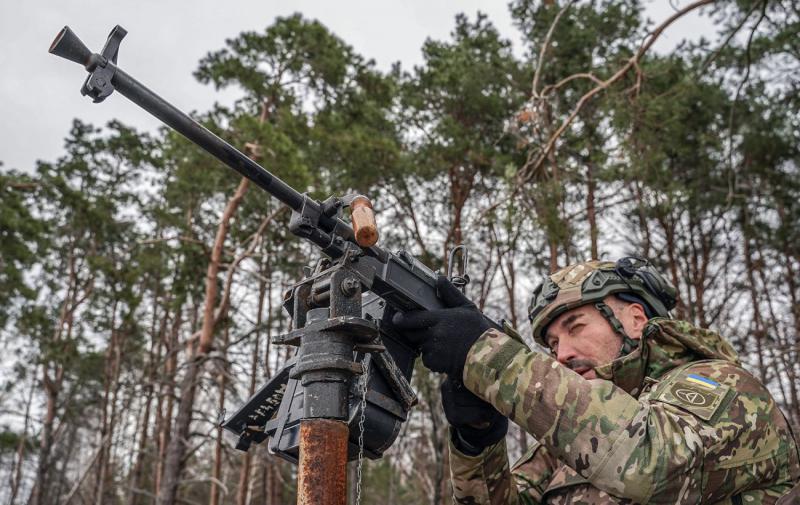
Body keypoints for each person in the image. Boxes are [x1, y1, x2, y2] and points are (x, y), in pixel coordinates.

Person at [393, 258, 800, 504]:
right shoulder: (567, 448)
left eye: (575, 327)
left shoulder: (725, 386)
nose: (562, 354)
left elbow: (649, 462)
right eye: (552, 344)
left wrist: (486, 355)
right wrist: (477, 441)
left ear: (635, 320)